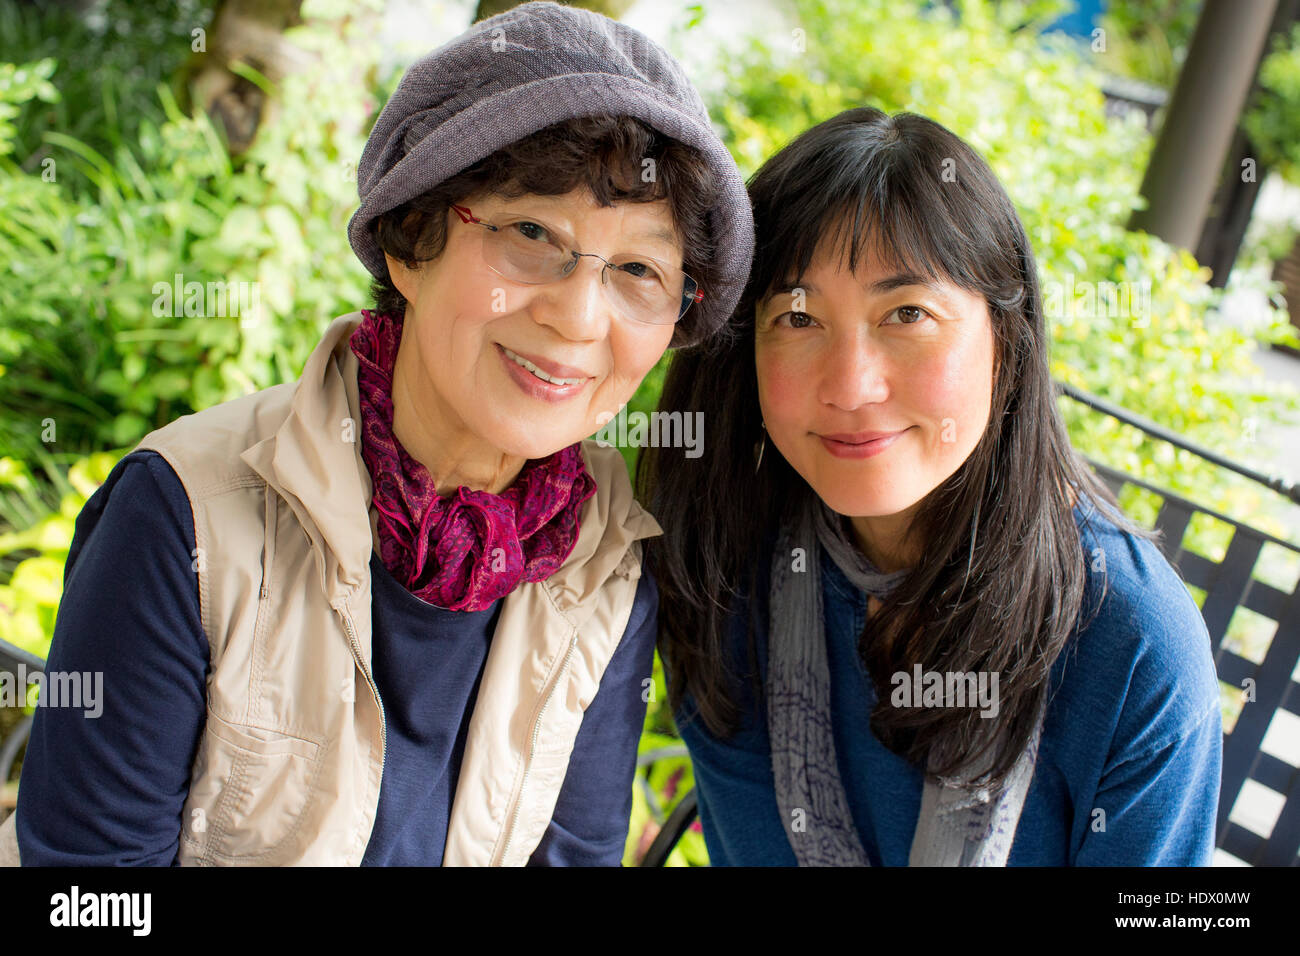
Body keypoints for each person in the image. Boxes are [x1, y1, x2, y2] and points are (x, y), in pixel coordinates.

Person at [0, 1, 753, 866]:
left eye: (639, 271)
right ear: (411, 239)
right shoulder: (184, 519)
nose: (581, 316)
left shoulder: (607, 568)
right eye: (532, 232)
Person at [641, 107, 1223, 866]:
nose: (850, 386)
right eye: (797, 316)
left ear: (1005, 347)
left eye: (907, 313)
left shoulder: (1131, 645)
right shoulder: (726, 568)